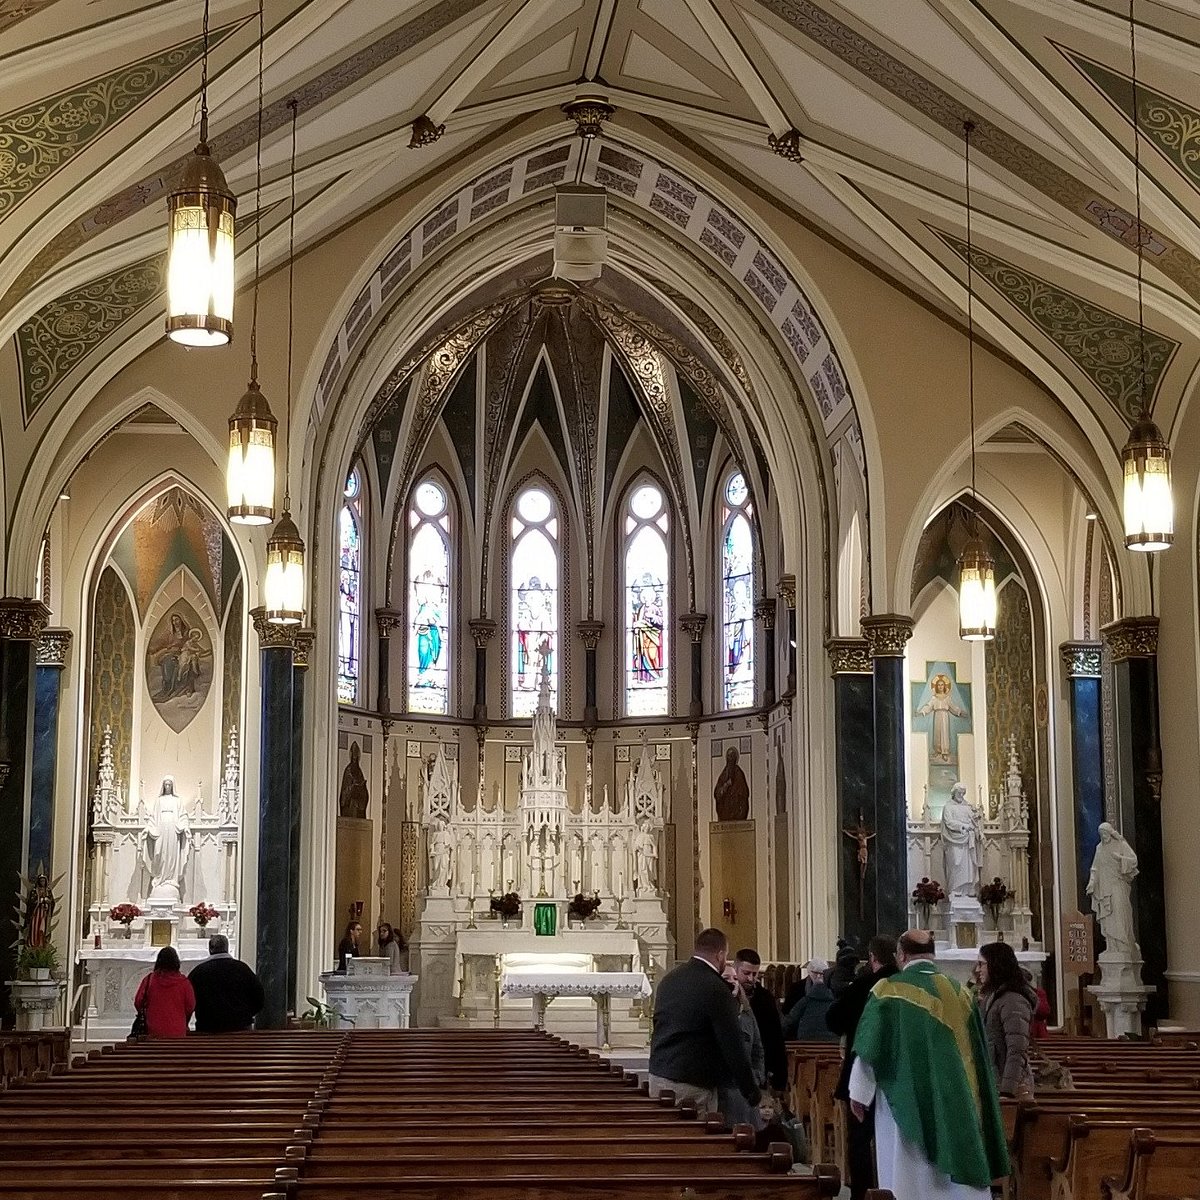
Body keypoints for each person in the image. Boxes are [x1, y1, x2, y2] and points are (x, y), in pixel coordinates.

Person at [849, 930, 1008, 1200]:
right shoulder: (962, 993)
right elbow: (979, 1053)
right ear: (932, 955)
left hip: (907, 1096)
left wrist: (859, 1093)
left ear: (901, 955)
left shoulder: (887, 990)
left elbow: (870, 1047)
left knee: (909, 1169)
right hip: (959, 1097)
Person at [649, 927, 762, 1117]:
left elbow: (658, 1024)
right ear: (719, 955)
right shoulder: (716, 989)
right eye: (725, 955)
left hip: (659, 1076)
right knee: (694, 1143)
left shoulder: (669, 979)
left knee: (664, 1137)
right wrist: (751, 1092)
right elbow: (732, 1044)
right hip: (693, 1083)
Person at [826, 935, 900, 1200]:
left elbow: (834, 1019)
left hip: (863, 1072)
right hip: (898, 1076)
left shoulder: (864, 985)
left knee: (860, 1139)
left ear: (872, 958)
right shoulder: (906, 987)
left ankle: (862, 1193)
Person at [975, 942, 1035, 1099]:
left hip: (1008, 1089)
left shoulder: (1012, 1000)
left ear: (995, 964)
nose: (978, 969)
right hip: (996, 1082)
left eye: (981, 964)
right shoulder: (995, 996)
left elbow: (1017, 1049)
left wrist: (1007, 1092)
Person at [719, 964, 767, 1129]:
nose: (732, 982)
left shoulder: (746, 1012)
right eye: (726, 978)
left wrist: (757, 1075)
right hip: (723, 1090)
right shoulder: (713, 1010)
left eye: (734, 978)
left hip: (746, 1088)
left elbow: (758, 1048)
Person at [735, 947, 787, 1091]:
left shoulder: (765, 998)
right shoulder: (725, 995)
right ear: (736, 969)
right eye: (746, 973)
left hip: (759, 1066)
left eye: (754, 974)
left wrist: (778, 1075)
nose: (751, 978)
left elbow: (776, 1037)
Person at [188, 934, 264, 1033]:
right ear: (227, 948)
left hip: (208, 1029)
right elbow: (259, 997)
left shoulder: (198, 972)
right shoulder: (242, 969)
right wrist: (245, 1015)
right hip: (240, 1028)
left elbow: (189, 1002)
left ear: (210, 949)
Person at [1087, 822, 1139, 958]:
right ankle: (1112, 946)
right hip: (1104, 887)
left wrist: (1120, 859)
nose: (1103, 836)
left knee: (1120, 913)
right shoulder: (1099, 848)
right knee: (1108, 917)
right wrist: (1092, 882)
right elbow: (1095, 868)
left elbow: (1133, 861)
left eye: (1105, 833)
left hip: (1118, 885)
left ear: (1110, 832)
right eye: (1101, 834)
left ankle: (1124, 945)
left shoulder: (1121, 844)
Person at [133, 946, 195, 1039]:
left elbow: (138, 1002)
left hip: (152, 1030)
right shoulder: (184, 982)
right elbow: (190, 1006)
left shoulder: (149, 980)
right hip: (177, 1030)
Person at [941, 783, 982, 898]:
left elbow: (974, 822)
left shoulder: (967, 807)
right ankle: (954, 889)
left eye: (963, 793)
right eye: (959, 792)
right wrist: (963, 826)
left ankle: (967, 889)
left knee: (969, 865)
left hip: (968, 839)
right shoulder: (948, 807)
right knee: (956, 863)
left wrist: (977, 829)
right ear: (954, 792)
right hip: (954, 839)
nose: (961, 795)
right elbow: (948, 822)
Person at [783, 958, 837, 1041]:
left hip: (804, 1038)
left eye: (821, 973)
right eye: (815, 973)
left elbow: (790, 1017)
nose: (818, 976)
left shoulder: (806, 999)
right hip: (832, 1039)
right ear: (809, 971)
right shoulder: (797, 988)